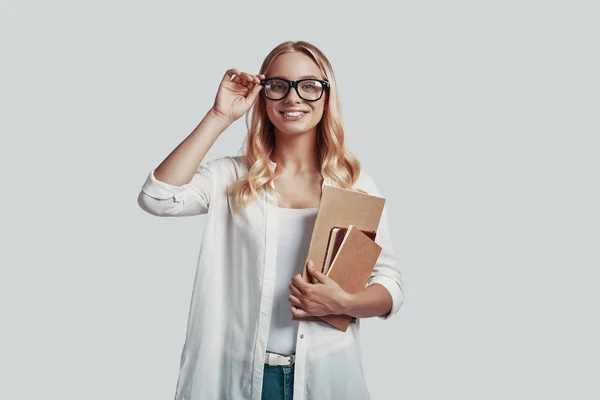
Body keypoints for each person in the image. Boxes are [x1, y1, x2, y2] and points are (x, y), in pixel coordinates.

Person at [137, 40, 404, 400]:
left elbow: (389, 284)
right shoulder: (232, 178)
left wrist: (343, 304)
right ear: (263, 95)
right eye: (279, 85)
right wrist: (219, 117)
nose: (293, 98)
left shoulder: (354, 185)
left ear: (327, 96)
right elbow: (158, 197)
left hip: (325, 375)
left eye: (309, 85)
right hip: (239, 376)